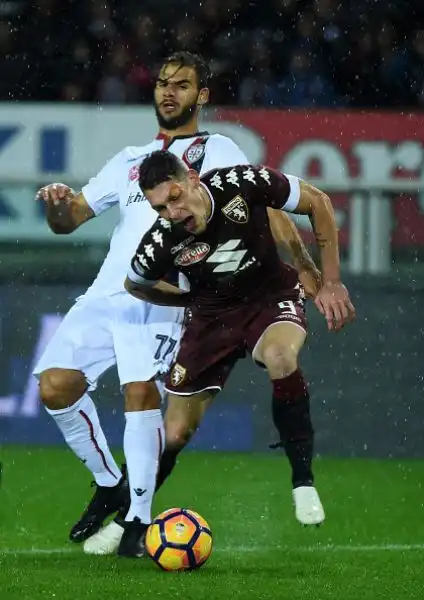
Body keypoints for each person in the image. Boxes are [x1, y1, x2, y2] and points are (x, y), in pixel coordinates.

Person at [34, 51, 318, 558]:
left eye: (182, 85)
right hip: (110, 293)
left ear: (201, 96)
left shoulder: (218, 148)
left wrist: (304, 265)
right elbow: (70, 218)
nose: (168, 92)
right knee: (54, 386)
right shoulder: (129, 160)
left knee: (142, 395)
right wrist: (58, 203)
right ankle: (109, 484)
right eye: (163, 83)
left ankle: (137, 523)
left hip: (167, 296)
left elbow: (264, 209)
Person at [124, 151, 355, 551]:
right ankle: (128, 516)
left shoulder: (241, 183)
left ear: (193, 178)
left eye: (175, 197)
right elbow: (135, 284)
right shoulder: (162, 240)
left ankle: (302, 480)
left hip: (268, 297)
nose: (173, 211)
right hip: (210, 319)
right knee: (175, 432)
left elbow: (317, 201)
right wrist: (186, 300)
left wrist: (329, 280)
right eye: (160, 207)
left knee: (282, 357)